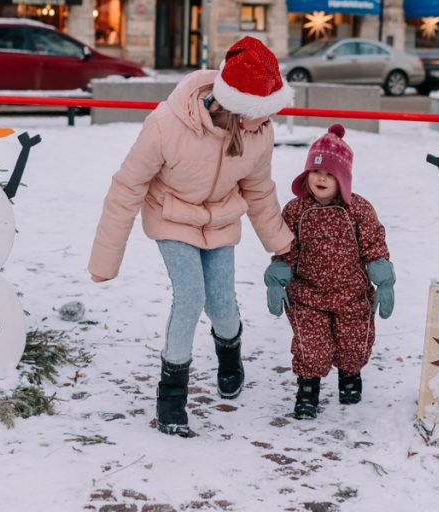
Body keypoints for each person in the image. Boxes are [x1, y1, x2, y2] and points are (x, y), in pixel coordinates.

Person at [89, 36, 295, 436]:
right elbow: (127, 186)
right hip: (172, 216)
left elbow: (259, 190)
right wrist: (105, 259)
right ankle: (171, 395)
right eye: (262, 111)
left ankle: (230, 354)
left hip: (220, 219)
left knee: (221, 304)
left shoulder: (258, 133)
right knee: (190, 297)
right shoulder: (167, 124)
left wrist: (281, 242)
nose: (268, 119)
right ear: (236, 105)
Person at [263, 124, 395, 419]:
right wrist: (277, 276)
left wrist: (383, 277)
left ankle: (350, 375)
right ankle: (308, 388)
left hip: (352, 294)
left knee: (355, 343)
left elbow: (374, 243)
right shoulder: (296, 210)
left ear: (343, 179)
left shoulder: (358, 209)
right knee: (311, 346)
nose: (321, 178)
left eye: (329, 174)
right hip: (308, 294)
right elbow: (286, 247)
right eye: (315, 171)